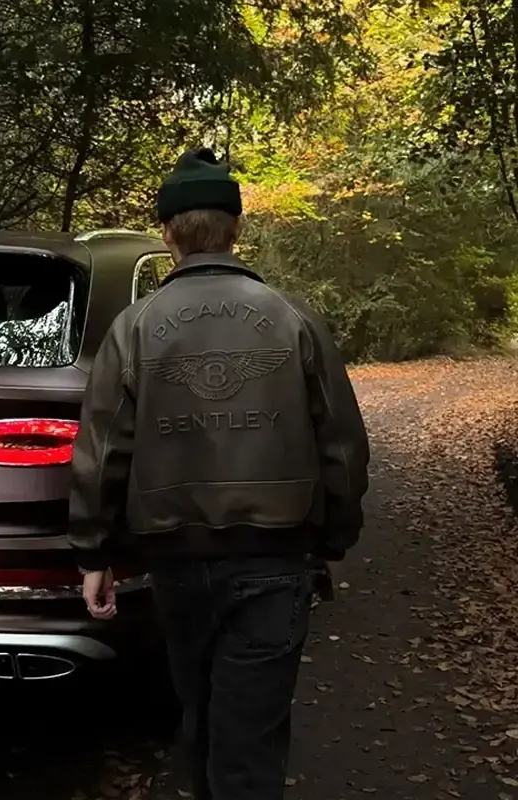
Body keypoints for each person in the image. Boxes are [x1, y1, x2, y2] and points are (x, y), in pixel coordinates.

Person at [67, 147, 370, 800]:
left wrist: (96, 552)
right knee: (250, 733)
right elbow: (343, 447)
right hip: (277, 556)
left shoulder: (134, 327)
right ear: (235, 229)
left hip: (175, 560)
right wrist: (333, 538)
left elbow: (102, 450)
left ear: (168, 233)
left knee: (200, 712)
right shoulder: (294, 318)